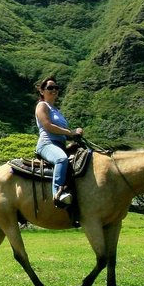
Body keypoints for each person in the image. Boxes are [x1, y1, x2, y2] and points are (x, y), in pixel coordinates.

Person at [34, 77, 83, 206]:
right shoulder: (42, 105)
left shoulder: (57, 111)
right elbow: (47, 126)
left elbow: (64, 132)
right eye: (50, 88)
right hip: (47, 144)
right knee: (61, 159)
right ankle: (58, 193)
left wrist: (75, 133)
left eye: (56, 87)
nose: (54, 90)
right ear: (42, 91)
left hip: (60, 145)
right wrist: (70, 132)